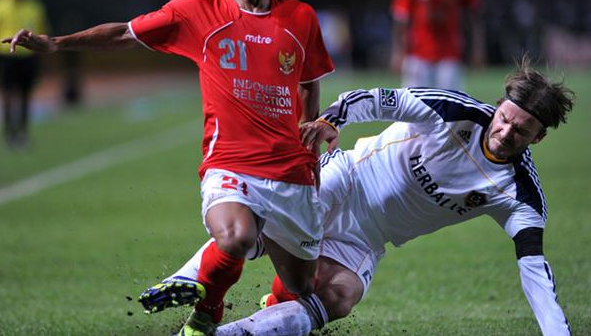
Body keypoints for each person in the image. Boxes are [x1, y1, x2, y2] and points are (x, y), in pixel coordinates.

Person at [2, 0, 335, 335]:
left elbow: (308, 82)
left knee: (302, 286)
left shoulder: (300, 16)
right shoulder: (197, 12)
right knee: (235, 237)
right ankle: (208, 311)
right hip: (230, 163)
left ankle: (271, 299)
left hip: (292, 171)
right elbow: (124, 34)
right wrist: (58, 43)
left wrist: (310, 133)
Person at [141, 58, 573, 336]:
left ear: (540, 136)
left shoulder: (520, 193)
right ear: (497, 107)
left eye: (521, 131)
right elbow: (383, 100)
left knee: (339, 297)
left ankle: (229, 334)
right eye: (503, 119)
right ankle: (189, 280)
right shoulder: (454, 110)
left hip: (367, 238)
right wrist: (333, 118)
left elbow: (535, 274)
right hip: (346, 181)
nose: (504, 132)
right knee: (262, 227)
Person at [389, 0, 485, 90]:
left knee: (451, 105)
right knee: (414, 103)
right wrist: (397, 52)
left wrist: (477, 49)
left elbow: (474, 16)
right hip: (417, 54)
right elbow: (400, 18)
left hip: (450, 53)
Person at [0, 0, 49, 148]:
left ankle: (23, 132)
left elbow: (42, 30)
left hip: (28, 56)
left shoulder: (35, 6)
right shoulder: (1, 5)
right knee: (6, 95)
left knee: (25, 95)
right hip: (6, 56)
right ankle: (9, 132)